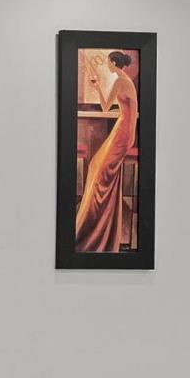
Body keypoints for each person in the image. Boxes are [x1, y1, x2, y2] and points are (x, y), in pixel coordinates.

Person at [74, 50, 137, 252]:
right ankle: (100, 227)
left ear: (112, 62)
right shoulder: (122, 79)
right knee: (96, 167)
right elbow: (106, 105)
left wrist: (98, 85)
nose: (107, 66)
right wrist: (99, 86)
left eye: (108, 62)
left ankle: (94, 228)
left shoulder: (120, 81)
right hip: (124, 129)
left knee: (100, 172)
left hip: (123, 131)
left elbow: (108, 106)